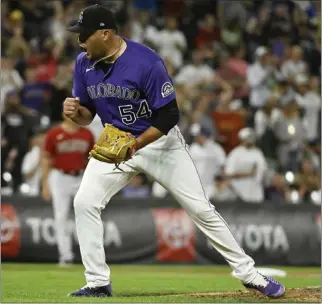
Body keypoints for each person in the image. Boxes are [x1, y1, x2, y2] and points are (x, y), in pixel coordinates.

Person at [64, 4, 285, 298]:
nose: (79, 41)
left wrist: (136, 144)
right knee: (84, 202)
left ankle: (249, 274)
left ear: (105, 34)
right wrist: (75, 112)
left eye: (85, 35)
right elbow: (87, 114)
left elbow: (169, 116)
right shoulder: (84, 63)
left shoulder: (146, 62)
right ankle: (97, 282)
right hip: (115, 145)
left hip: (159, 144)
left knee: (200, 209)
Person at [41, 113, 94, 266]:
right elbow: (46, 158)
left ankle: (89, 257)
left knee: (86, 214)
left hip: (80, 176)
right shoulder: (54, 133)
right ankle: (66, 256)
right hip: (60, 176)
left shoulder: (87, 133)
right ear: (64, 115)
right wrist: (45, 184)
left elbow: (93, 159)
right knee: (61, 217)